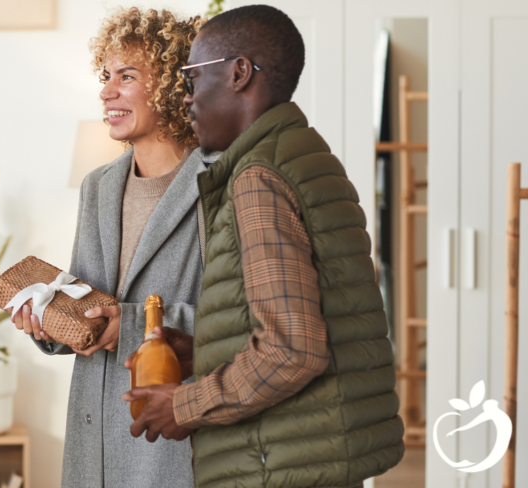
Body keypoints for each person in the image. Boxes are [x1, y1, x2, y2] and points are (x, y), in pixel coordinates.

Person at [122, 5, 405, 488]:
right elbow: (314, 321)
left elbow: (294, 350)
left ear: (238, 73)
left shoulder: (257, 177)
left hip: (275, 467)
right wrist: (206, 350)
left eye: (193, 76)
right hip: (315, 455)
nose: (187, 98)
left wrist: (185, 405)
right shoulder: (305, 156)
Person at [11, 8, 214, 487]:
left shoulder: (219, 183)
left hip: (167, 432)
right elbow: (89, 301)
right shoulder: (98, 186)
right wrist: (50, 322)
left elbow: (240, 320)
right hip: (92, 429)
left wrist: (134, 326)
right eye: (106, 76)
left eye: (127, 76)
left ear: (170, 83)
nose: (106, 91)